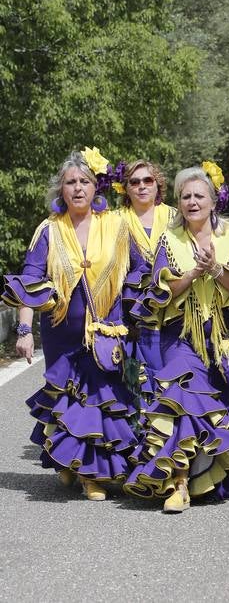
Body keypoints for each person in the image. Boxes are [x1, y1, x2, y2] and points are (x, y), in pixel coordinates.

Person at [124, 162, 229, 513]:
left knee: (218, 407)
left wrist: (218, 270)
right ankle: (178, 485)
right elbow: (161, 291)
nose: (192, 202)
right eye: (185, 196)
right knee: (181, 398)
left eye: (198, 195)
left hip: (221, 336)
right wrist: (193, 272)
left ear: (213, 201)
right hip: (179, 336)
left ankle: (215, 474)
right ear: (179, 202)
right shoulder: (169, 238)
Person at [2, 148, 137, 501]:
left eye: (84, 182)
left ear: (97, 188)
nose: (77, 188)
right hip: (61, 331)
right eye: (70, 182)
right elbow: (31, 281)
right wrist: (24, 330)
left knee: (97, 400)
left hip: (105, 330)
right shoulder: (48, 229)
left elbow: (139, 269)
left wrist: (137, 312)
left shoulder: (117, 224)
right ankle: (72, 465)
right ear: (61, 190)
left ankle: (90, 474)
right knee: (66, 399)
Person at [121, 159, 176, 397]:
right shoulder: (115, 221)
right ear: (126, 188)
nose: (142, 186)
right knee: (139, 382)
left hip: (175, 310)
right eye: (135, 181)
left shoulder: (177, 218)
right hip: (134, 314)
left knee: (174, 376)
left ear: (157, 185)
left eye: (148, 180)